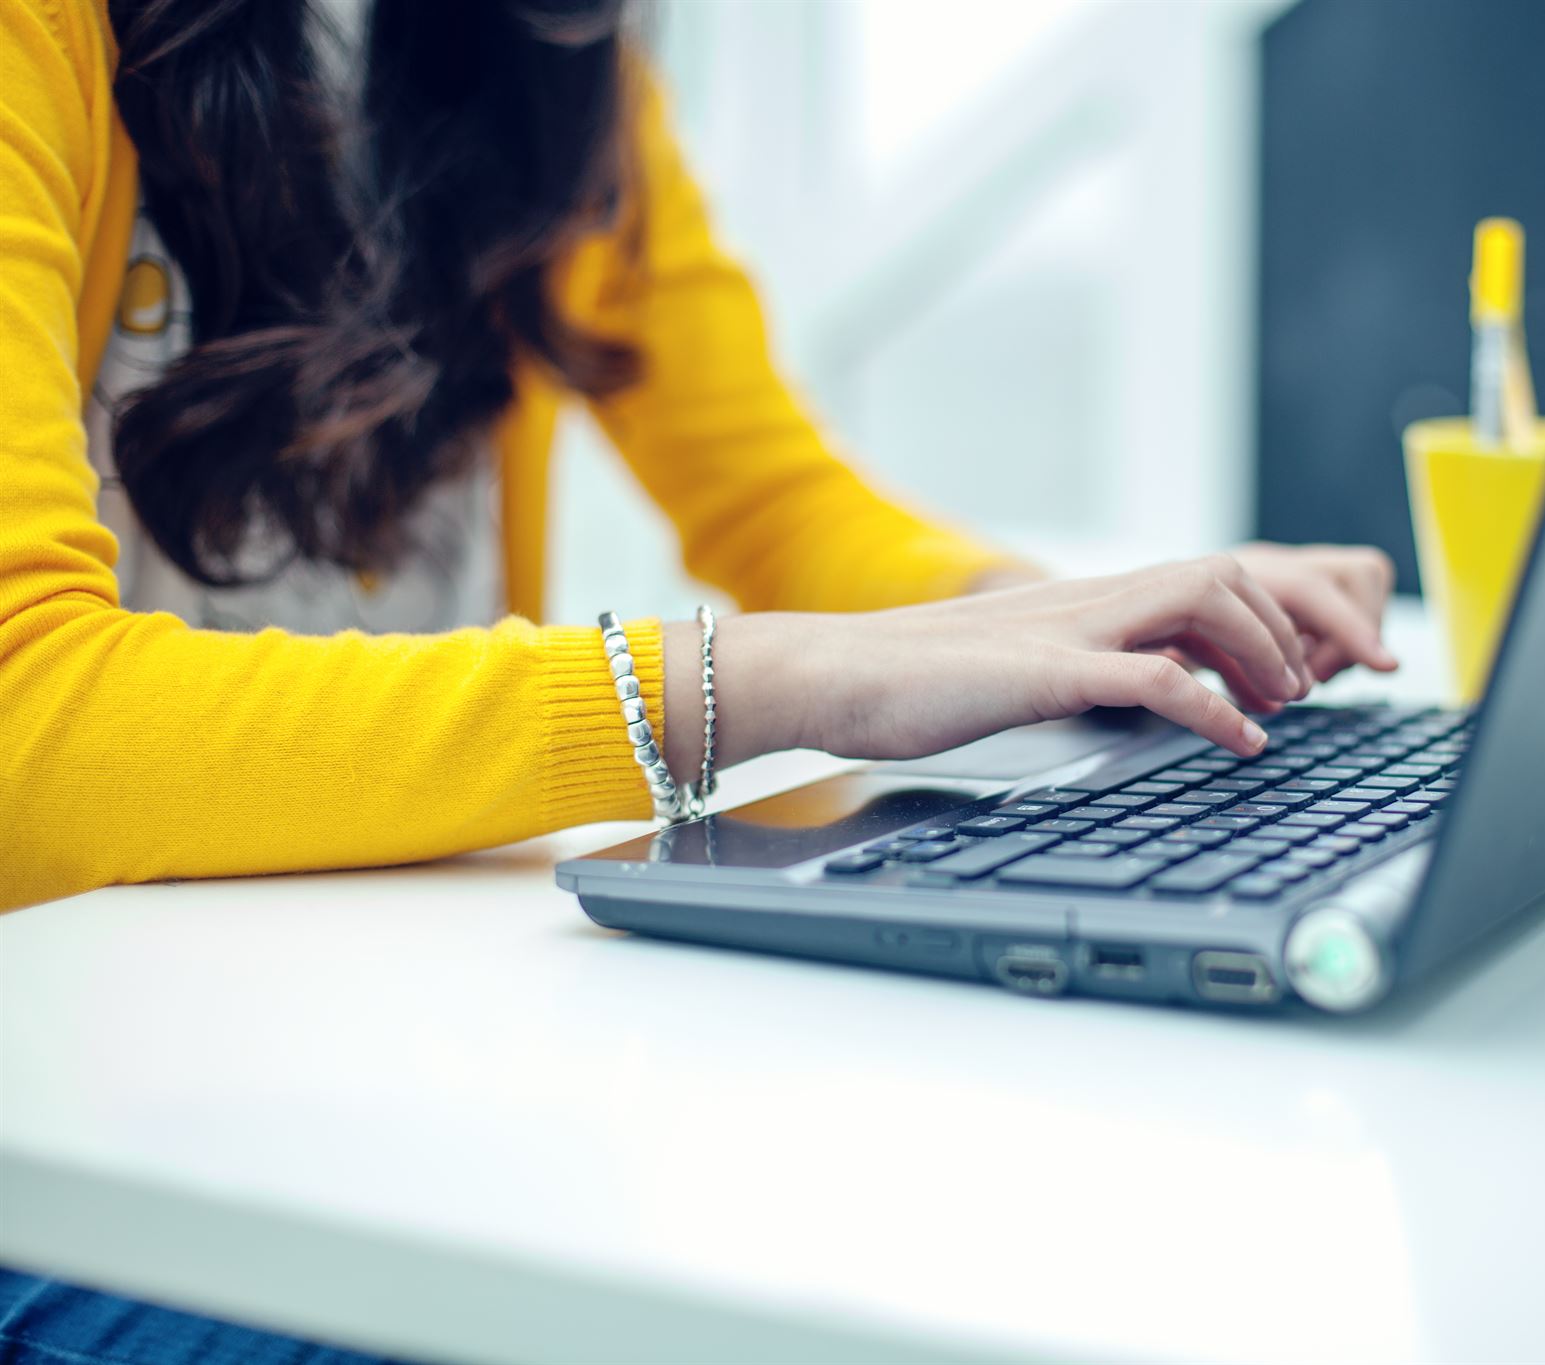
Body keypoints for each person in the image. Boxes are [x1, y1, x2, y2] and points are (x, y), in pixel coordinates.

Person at [1, 2, 1400, 1353]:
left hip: (375, 1033)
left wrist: (1062, 627)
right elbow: (31, 725)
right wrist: (757, 682)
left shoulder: (540, 51)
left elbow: (774, 499)